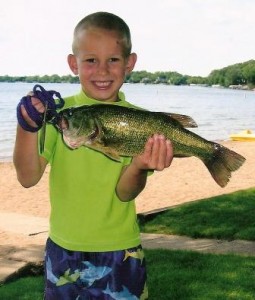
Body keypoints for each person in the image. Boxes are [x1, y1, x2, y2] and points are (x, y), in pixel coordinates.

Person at [13, 11, 174, 299]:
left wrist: (139, 165)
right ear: (73, 64)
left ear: (129, 63)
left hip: (121, 249)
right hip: (63, 249)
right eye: (91, 61)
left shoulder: (142, 122)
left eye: (113, 60)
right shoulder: (61, 117)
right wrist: (27, 126)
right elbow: (27, 177)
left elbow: (126, 193)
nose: (102, 71)